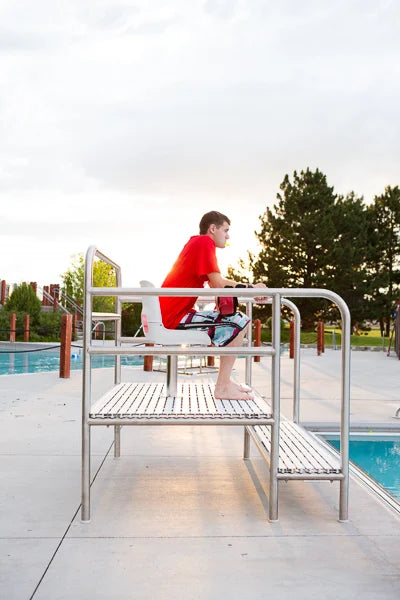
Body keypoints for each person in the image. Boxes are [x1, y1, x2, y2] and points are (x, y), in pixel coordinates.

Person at [160, 210, 267, 401]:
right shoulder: (204, 242)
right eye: (225, 230)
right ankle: (223, 387)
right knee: (239, 321)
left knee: (233, 319)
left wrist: (250, 292)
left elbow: (217, 286)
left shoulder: (197, 244)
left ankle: (225, 383)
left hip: (174, 312)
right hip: (174, 316)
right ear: (212, 228)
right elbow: (218, 283)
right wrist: (252, 288)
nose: (228, 236)